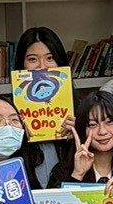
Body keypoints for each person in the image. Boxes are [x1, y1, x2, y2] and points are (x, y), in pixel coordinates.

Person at [13, 26, 73, 189]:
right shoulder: (9, 111)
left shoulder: (79, 108)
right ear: (21, 64)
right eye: (32, 59)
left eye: (50, 58)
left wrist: (78, 134)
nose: (42, 66)